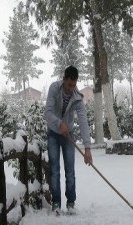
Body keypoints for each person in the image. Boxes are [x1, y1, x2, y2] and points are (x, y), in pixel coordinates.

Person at [44, 65, 93, 215]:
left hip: (68, 136)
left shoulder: (77, 97)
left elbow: (83, 122)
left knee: (70, 171)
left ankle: (71, 203)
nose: (71, 88)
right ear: (64, 79)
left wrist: (87, 148)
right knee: (55, 170)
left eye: (74, 85)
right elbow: (47, 113)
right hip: (53, 133)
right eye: (69, 84)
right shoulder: (54, 88)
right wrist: (59, 124)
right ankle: (56, 204)